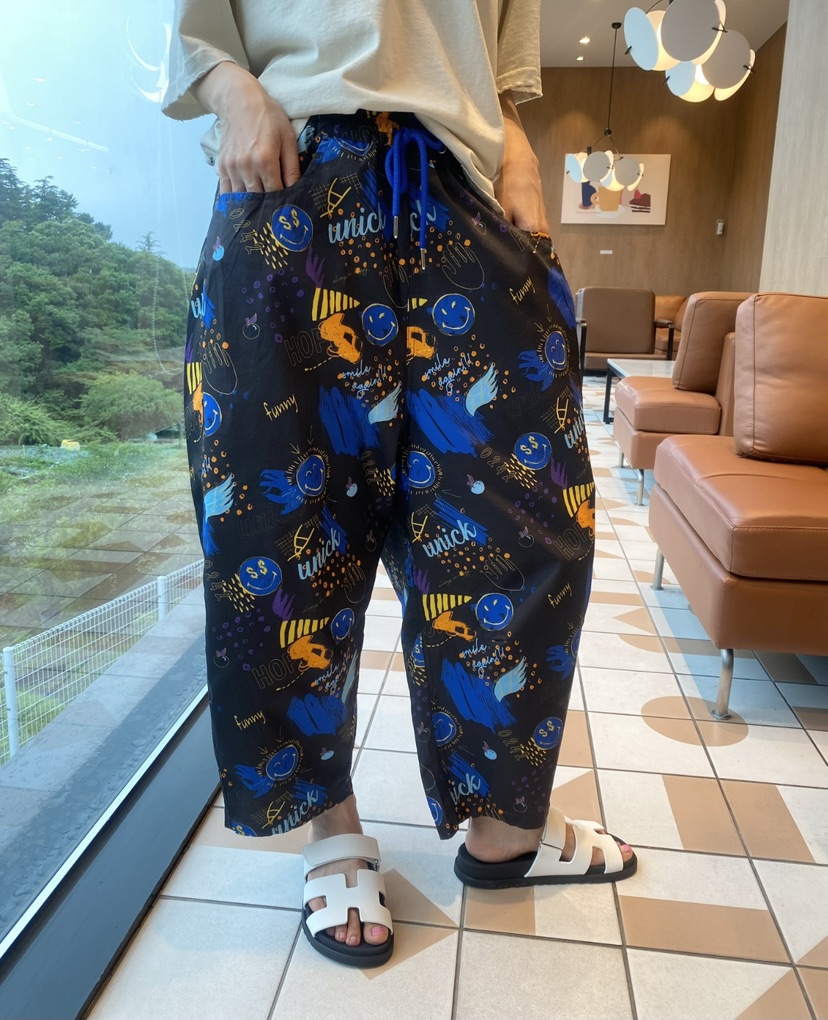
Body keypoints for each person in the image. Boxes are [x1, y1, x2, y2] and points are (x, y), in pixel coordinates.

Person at [163, 0, 636, 969]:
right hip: (292, 170)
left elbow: (497, 46)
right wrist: (231, 87)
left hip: (460, 186)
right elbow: (199, 23)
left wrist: (517, 148)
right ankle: (331, 826)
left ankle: (506, 822)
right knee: (284, 538)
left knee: (529, 525)